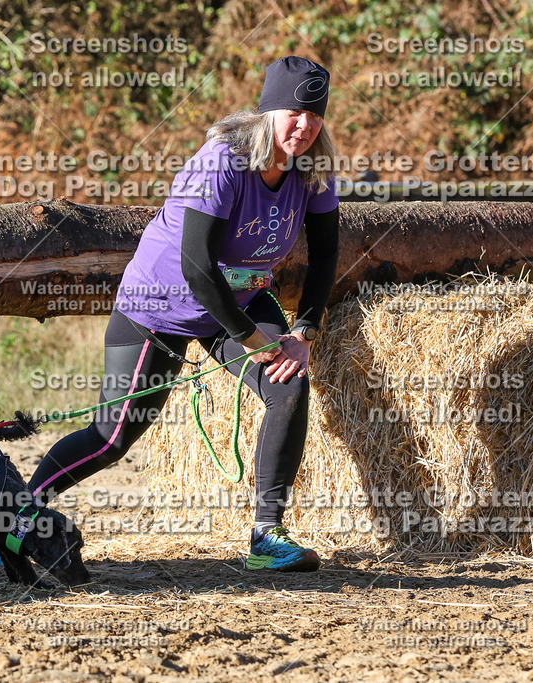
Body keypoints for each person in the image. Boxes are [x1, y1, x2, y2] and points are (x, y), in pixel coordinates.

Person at [27, 56, 340, 572]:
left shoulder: (314, 171)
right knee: (112, 437)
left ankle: (267, 535)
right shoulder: (222, 160)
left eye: (315, 115)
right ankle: (19, 513)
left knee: (288, 386)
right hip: (161, 305)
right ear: (267, 113)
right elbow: (196, 264)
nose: (304, 126)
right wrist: (253, 339)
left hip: (235, 300)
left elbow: (327, 252)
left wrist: (305, 328)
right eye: (293, 112)